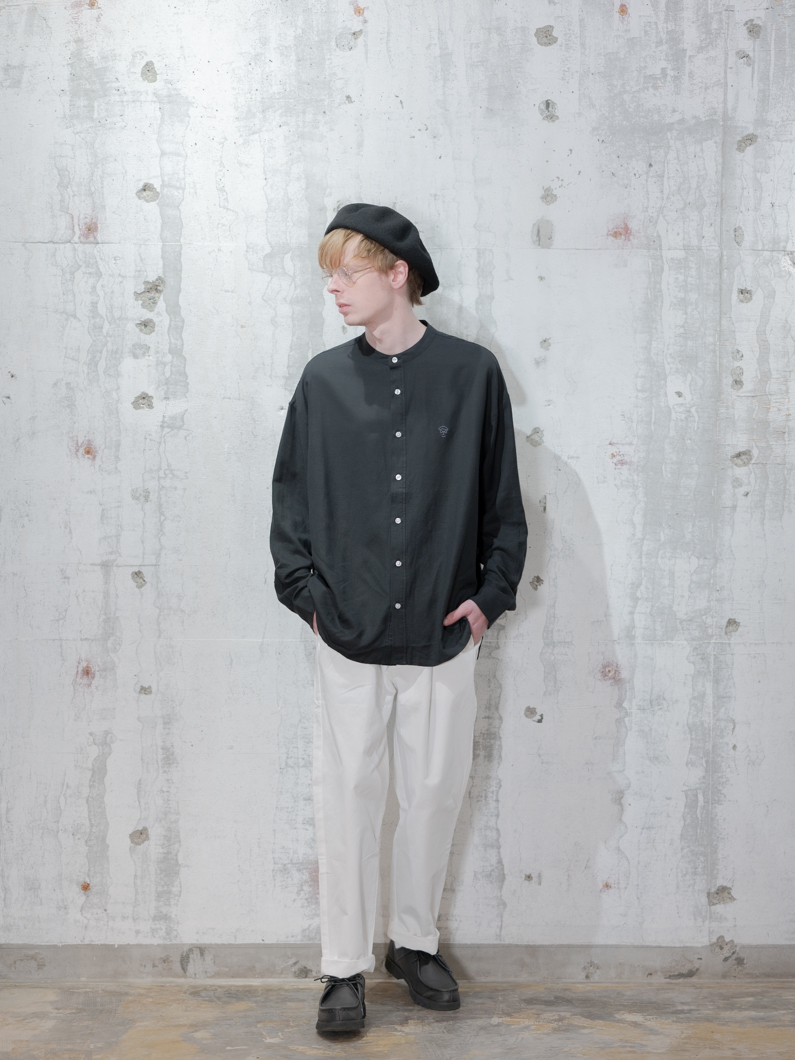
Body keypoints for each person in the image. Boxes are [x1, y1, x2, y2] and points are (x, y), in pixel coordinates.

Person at [269, 202, 527, 1033]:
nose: (334, 289)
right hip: (345, 631)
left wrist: (488, 600)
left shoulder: (471, 373)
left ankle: (413, 944)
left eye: (347, 272)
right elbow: (289, 504)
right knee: (347, 795)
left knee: (432, 793)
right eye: (329, 276)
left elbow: (502, 500)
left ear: (397, 274)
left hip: (442, 627)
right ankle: (343, 966)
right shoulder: (322, 381)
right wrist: (308, 598)